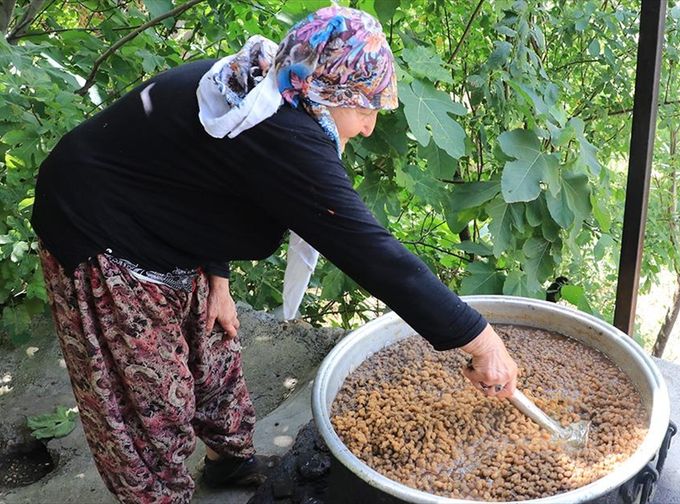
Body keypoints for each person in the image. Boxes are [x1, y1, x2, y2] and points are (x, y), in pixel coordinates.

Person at [30, 6, 518, 503]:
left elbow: (202, 175)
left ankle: (228, 464)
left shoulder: (280, 86)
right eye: (366, 109)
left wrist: (215, 278)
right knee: (149, 399)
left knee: (214, 347)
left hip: (166, 220)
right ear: (329, 92)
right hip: (99, 229)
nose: (370, 128)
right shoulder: (276, 122)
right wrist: (479, 340)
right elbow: (370, 251)